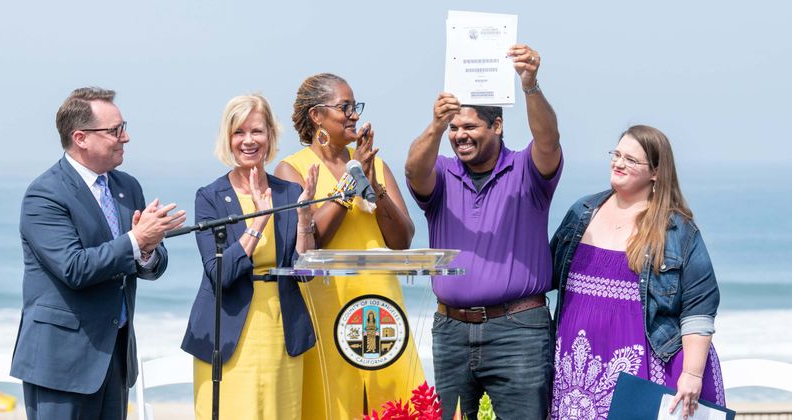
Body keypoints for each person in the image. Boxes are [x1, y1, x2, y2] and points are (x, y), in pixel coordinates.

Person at [404, 44, 562, 419]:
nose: (460, 136)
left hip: (518, 330)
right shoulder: (442, 172)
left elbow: (549, 141)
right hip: (451, 329)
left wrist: (530, 85)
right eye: (454, 129)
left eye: (470, 126)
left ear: (497, 125)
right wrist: (436, 124)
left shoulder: (526, 171)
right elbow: (413, 171)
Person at [10, 87, 185, 420]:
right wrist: (136, 240)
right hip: (60, 362)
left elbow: (150, 261)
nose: (126, 137)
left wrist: (147, 250)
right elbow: (74, 268)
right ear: (81, 138)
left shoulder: (127, 186)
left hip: (115, 356)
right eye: (115, 130)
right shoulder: (44, 194)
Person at [550, 125, 725, 420]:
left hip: (644, 372)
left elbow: (700, 307)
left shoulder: (677, 230)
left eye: (631, 160)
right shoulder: (582, 212)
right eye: (616, 154)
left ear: (655, 172)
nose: (618, 163)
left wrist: (692, 374)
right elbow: (547, 273)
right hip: (575, 370)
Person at [276, 73, 422, 419]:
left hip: (381, 309)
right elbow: (312, 241)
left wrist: (373, 182)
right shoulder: (292, 170)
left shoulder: (375, 165)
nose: (354, 114)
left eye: (355, 107)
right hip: (330, 309)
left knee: (393, 405)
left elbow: (401, 241)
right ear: (317, 116)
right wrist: (348, 186)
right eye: (345, 107)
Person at [181, 94, 319, 419]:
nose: (248, 140)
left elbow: (305, 272)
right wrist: (259, 221)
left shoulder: (289, 193)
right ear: (227, 138)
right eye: (239, 132)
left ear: (270, 135)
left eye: (256, 131)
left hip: (280, 332)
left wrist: (304, 220)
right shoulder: (210, 197)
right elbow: (220, 272)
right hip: (226, 334)